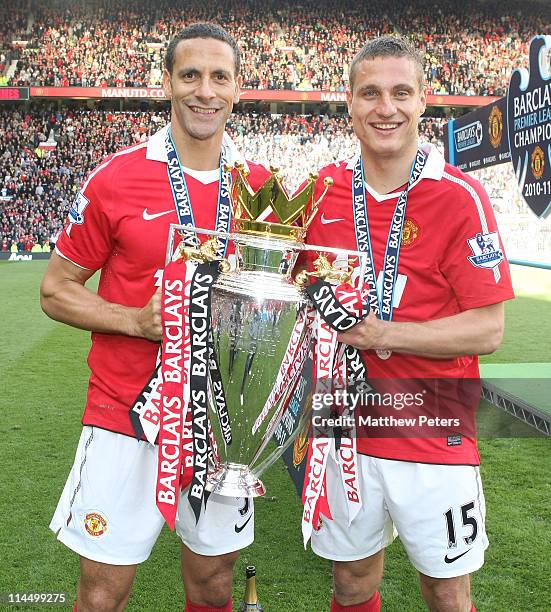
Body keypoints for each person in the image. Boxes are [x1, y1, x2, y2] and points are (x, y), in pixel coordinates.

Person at [40, 23, 269, 612]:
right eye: (190, 75)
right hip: (124, 415)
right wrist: (136, 322)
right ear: (166, 81)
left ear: (238, 88)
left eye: (220, 77)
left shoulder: (262, 191)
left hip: (222, 424)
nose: (204, 90)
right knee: (102, 590)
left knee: (214, 581)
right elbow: (56, 290)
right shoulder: (116, 177)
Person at [305, 36, 514, 612]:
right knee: (350, 583)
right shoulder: (321, 192)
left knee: (446, 590)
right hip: (343, 428)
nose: (386, 107)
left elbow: (487, 330)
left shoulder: (460, 197)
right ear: (348, 102)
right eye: (370, 93)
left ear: (424, 102)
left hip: (433, 428)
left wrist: (381, 334)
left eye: (401, 92)